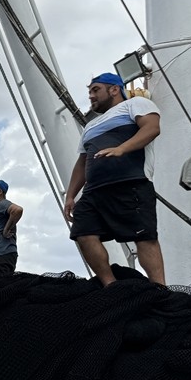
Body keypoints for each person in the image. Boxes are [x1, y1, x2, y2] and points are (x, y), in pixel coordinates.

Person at [64, 73, 165, 286]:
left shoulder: (136, 104)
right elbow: (82, 162)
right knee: (82, 233)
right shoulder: (90, 126)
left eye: (95, 90)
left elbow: (152, 128)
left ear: (114, 89)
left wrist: (122, 149)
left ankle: (160, 289)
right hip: (94, 191)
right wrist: (71, 195)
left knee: (143, 237)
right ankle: (110, 286)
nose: (91, 96)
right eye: (89, 91)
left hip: (131, 181)